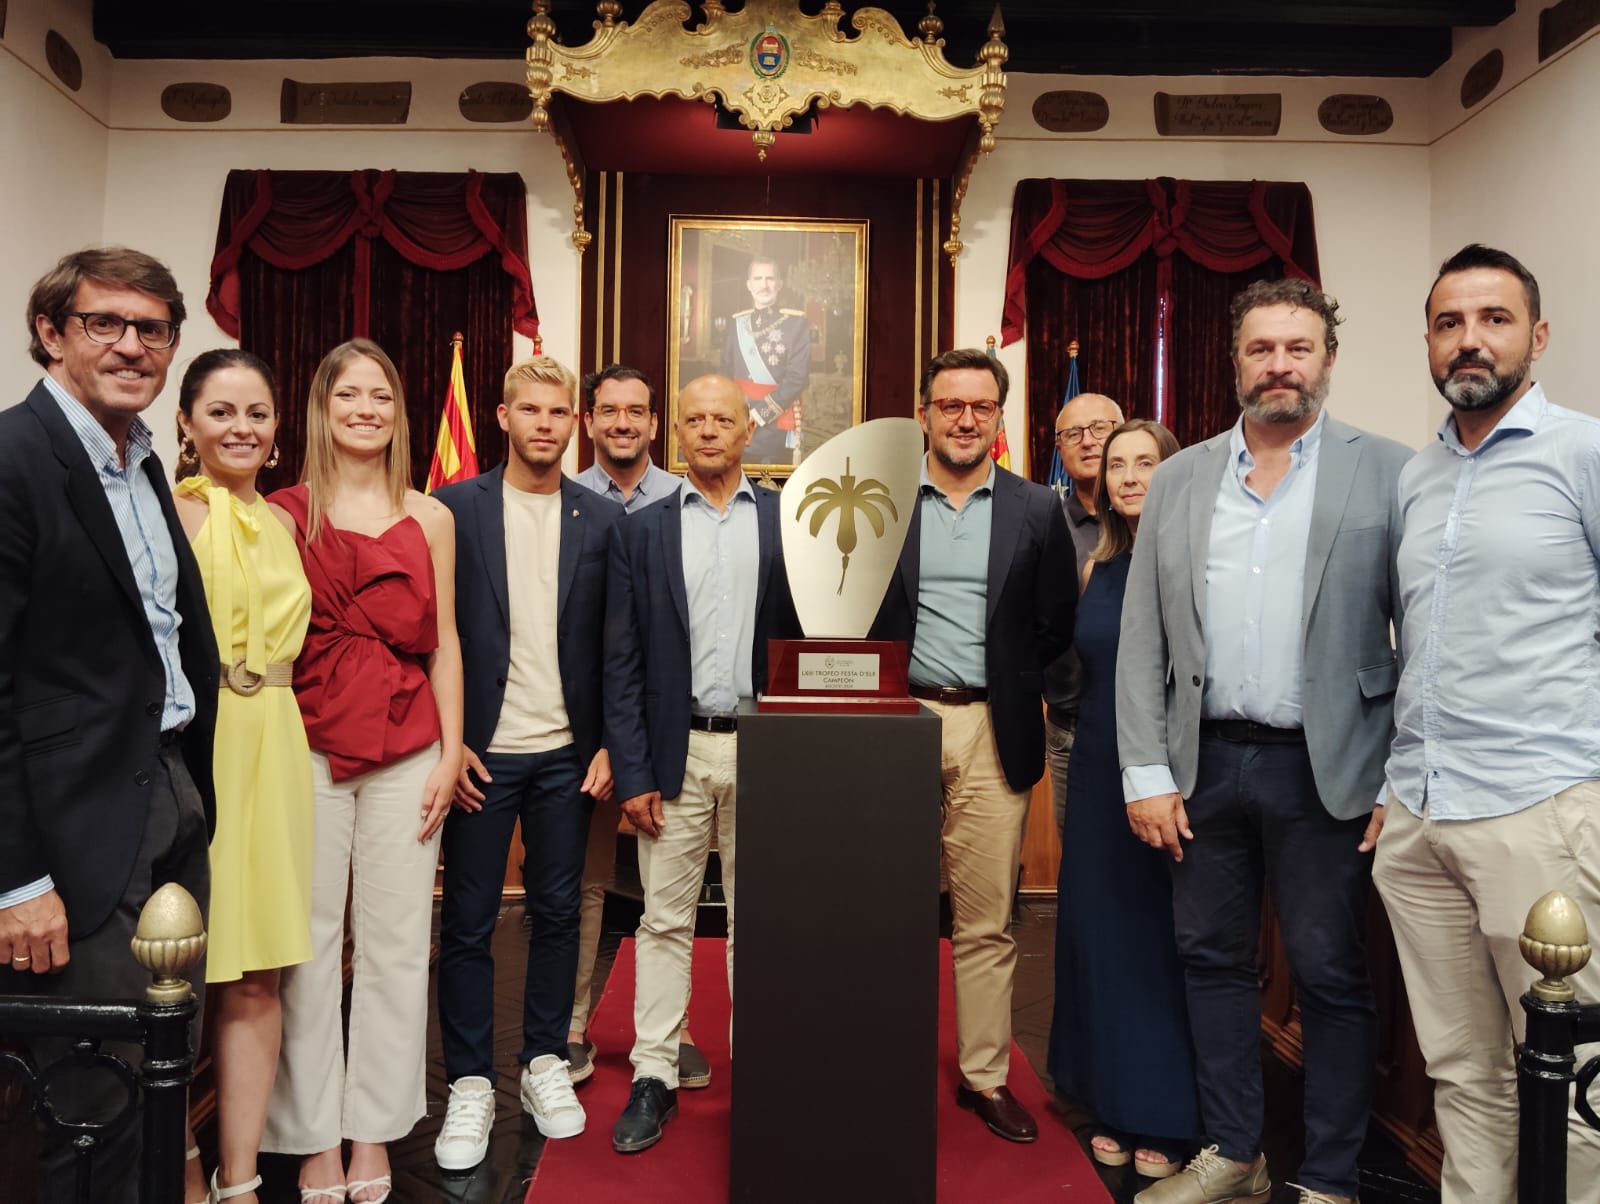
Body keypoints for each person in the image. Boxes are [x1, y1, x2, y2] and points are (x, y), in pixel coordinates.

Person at [1117, 279, 1411, 1204]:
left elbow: (1424, 635)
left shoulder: (1391, 470)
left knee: (1329, 971)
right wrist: (1144, 772)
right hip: (1201, 764)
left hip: (1333, 771)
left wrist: (1402, 774)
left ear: (1327, 359)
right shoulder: (1181, 477)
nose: (1280, 363)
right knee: (1210, 961)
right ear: (1233, 360)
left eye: (1299, 347)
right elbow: (1143, 639)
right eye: (1261, 348)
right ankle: (1236, 1154)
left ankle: (1327, 1176)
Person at [1373, 244, 1600, 1203]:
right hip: (1420, 820)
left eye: (1494, 319)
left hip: (1538, 809)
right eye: (1450, 322)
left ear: (1537, 337)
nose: (1471, 340)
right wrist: (1393, 787)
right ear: (1429, 340)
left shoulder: (1584, 453)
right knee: (1463, 1070)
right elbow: (1414, 642)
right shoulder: (1415, 479)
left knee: (1578, 1077)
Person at [0, 247, 218, 1204]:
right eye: (106, 324)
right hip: (72, 839)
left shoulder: (141, 468)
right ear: (52, 333)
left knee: (160, 1075)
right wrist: (16, 878)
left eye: (154, 329)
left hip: (167, 798)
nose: (133, 347)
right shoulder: (13, 461)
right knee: (90, 1111)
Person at [262, 338, 464, 1204]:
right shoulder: (281, 513)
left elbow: (446, 642)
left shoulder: (433, 517)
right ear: (322, 406)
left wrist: (453, 753)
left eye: (381, 395)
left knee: (393, 950)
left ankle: (372, 1134)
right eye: (349, 394)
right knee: (306, 947)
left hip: (408, 746)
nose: (366, 409)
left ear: (399, 412)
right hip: (303, 740)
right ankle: (309, 1140)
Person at [870, 348, 1077, 1143]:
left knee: (987, 919)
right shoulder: (885, 498)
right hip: (897, 724)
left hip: (996, 727)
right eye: (949, 405)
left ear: (998, 418)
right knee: (886, 910)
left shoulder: (1035, 509)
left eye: (980, 407)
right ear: (923, 413)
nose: (964, 420)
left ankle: (985, 1078)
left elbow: (1056, 620)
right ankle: (882, 1064)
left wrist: (1016, 680)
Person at [430, 356, 623, 1169]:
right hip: (479, 754)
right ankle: (470, 1083)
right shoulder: (451, 510)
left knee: (558, 916)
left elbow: (621, 644)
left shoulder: (601, 520)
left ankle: (543, 1060)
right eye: (530, 410)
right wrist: (450, 739)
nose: (545, 424)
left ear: (572, 422)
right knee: (469, 924)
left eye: (558, 413)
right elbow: (427, 636)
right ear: (502, 418)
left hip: (566, 758)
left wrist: (613, 739)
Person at [604, 374, 798, 1154]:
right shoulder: (641, 530)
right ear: (673, 432)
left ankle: (761, 1070)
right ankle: (654, 1074)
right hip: (672, 752)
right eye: (695, 419)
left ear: (750, 431)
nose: (710, 430)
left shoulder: (789, 525)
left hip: (768, 750)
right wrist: (633, 769)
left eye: (724, 419)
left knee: (766, 923)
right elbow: (619, 662)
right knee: (662, 920)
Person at [172, 349, 314, 1204]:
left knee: (258, 971)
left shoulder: (289, 523)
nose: (241, 429)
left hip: (278, 740)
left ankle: (243, 1179)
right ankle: (180, 1164)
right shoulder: (172, 513)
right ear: (187, 424)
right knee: (186, 962)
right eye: (221, 412)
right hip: (201, 744)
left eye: (256, 413)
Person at [1046, 419, 1198, 1180]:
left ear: (1173, 470)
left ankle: (1166, 1114)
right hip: (1098, 761)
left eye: (1146, 463)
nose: (1130, 477)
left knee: (1159, 941)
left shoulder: (1195, 559)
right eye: (1117, 466)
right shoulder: (1097, 564)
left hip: (1173, 773)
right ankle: (1103, 1093)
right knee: (1097, 929)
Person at [570, 364, 710, 1091]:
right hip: (578, 726)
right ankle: (569, 1031)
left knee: (668, 902)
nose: (622, 423)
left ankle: (673, 1031)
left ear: (659, 425)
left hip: (660, 730)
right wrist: (598, 737)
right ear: (586, 421)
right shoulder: (566, 502)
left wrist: (629, 746)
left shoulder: (684, 504)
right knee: (586, 882)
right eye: (607, 412)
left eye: (636, 412)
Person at [1044, 392, 1125, 834]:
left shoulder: (1158, 521)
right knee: (1080, 860)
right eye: (1072, 434)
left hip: (1149, 729)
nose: (1088, 441)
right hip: (1070, 727)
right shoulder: (1044, 525)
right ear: (1059, 449)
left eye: (1100, 428)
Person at [720, 256, 812, 467]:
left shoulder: (797, 324)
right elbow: (725, 369)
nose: (764, 285)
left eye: (770, 278)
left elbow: (797, 378)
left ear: (779, 284)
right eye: (758, 278)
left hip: (776, 422)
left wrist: (760, 415)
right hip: (738, 418)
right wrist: (735, 413)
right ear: (749, 285)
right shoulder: (736, 323)